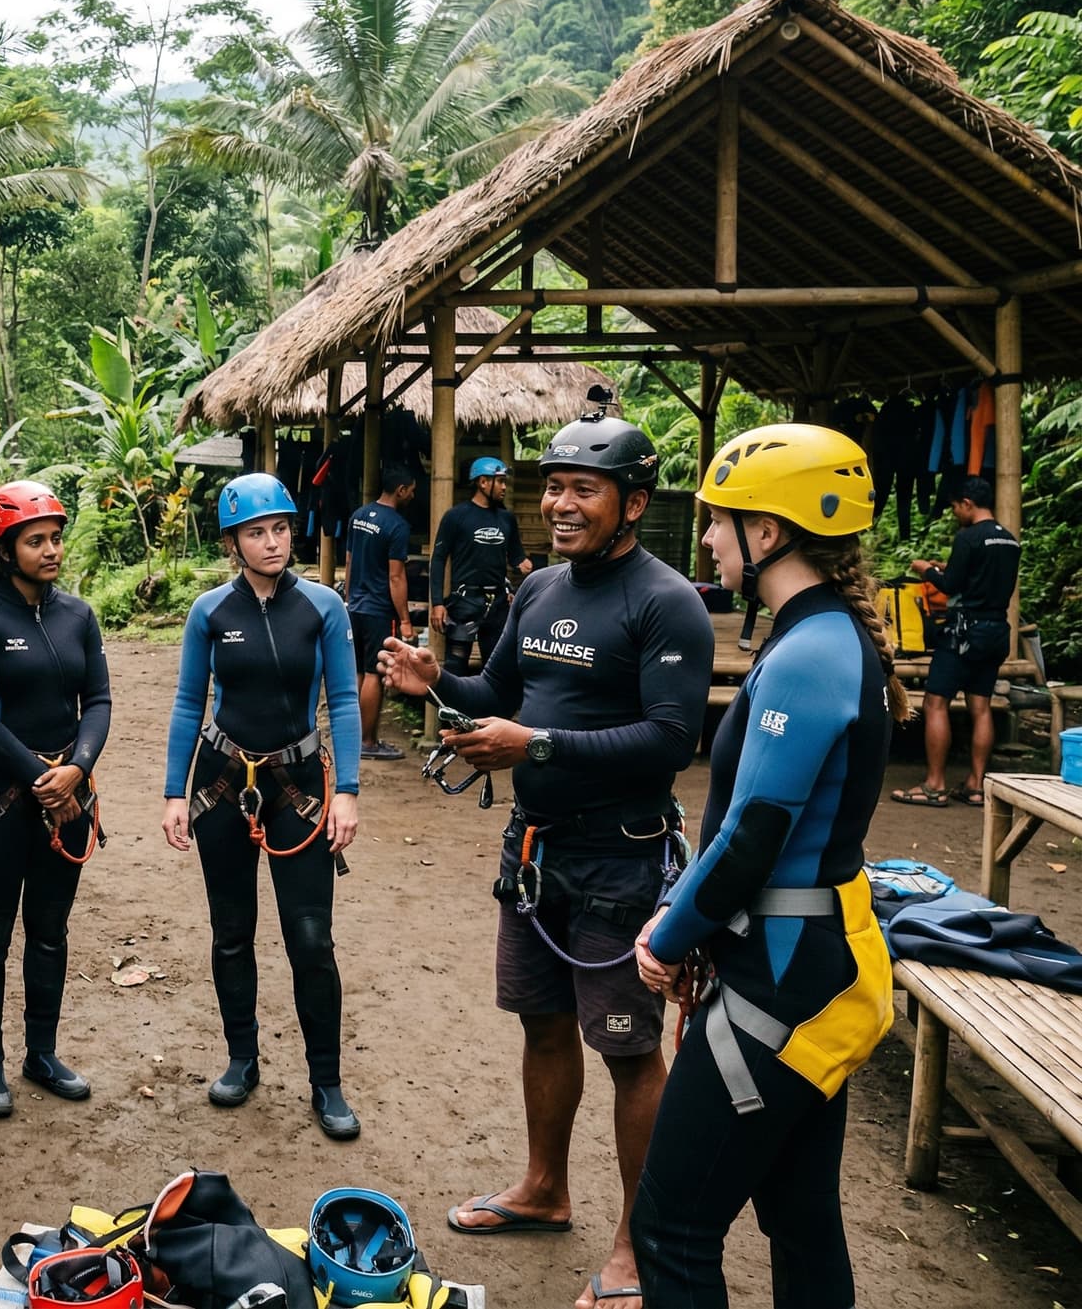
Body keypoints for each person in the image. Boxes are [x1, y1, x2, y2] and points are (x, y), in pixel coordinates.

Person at [380, 401, 712, 1309]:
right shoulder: (539, 590)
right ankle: (545, 1187)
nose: (562, 504)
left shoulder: (666, 600)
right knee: (539, 1021)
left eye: (584, 489)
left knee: (630, 1050)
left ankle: (638, 1243)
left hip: (620, 861)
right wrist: (434, 680)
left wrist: (538, 748)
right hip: (533, 855)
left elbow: (672, 738)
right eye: (554, 487)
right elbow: (496, 688)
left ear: (633, 502)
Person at [631, 424, 900, 1307]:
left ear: (771, 532)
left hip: (782, 979)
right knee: (799, 1211)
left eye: (721, 519)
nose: (708, 537)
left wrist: (669, 934)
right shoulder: (818, 639)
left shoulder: (811, 653)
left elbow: (753, 835)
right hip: (805, 965)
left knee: (670, 1229)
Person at [162, 473, 364, 1140]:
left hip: (298, 782)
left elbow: (341, 700)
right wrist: (173, 791)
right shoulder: (210, 612)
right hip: (221, 779)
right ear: (233, 542)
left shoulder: (325, 608)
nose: (272, 541)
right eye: (256, 531)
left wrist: (349, 792)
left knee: (311, 936)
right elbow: (192, 703)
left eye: (280, 527)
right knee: (231, 929)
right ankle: (242, 1059)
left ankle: (326, 1080)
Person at [0, 481, 112, 1118]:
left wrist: (77, 768)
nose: (51, 550)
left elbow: (96, 700)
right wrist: (43, 778)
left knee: (49, 930)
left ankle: (41, 1053)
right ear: (4, 548)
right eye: (35, 540)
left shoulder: (77, 615)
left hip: (68, 794)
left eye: (54, 538)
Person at [891, 475, 1020, 809]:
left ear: (967, 503)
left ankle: (934, 785)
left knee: (936, 702)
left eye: (954, 507)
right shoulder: (1009, 540)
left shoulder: (969, 537)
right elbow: (980, 576)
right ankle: (976, 785)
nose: (953, 513)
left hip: (964, 632)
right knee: (981, 706)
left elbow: (949, 585)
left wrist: (925, 570)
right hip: (995, 631)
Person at [430, 456, 533, 676]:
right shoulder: (455, 517)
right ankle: (451, 710)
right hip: (464, 602)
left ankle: (489, 710)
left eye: (505, 481)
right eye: (500, 481)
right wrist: (437, 603)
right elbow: (438, 559)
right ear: (482, 482)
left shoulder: (506, 519)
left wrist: (522, 569)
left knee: (494, 670)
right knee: (455, 668)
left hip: (497, 605)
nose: (504, 487)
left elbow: (517, 557)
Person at [345, 463, 418, 761]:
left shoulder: (359, 516)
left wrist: (349, 597)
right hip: (378, 610)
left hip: (356, 605)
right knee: (375, 672)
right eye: (411, 491)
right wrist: (404, 620)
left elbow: (349, 561)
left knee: (359, 672)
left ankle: (352, 738)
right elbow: (396, 577)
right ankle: (368, 741)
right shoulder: (397, 526)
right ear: (400, 490)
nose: (413, 496)